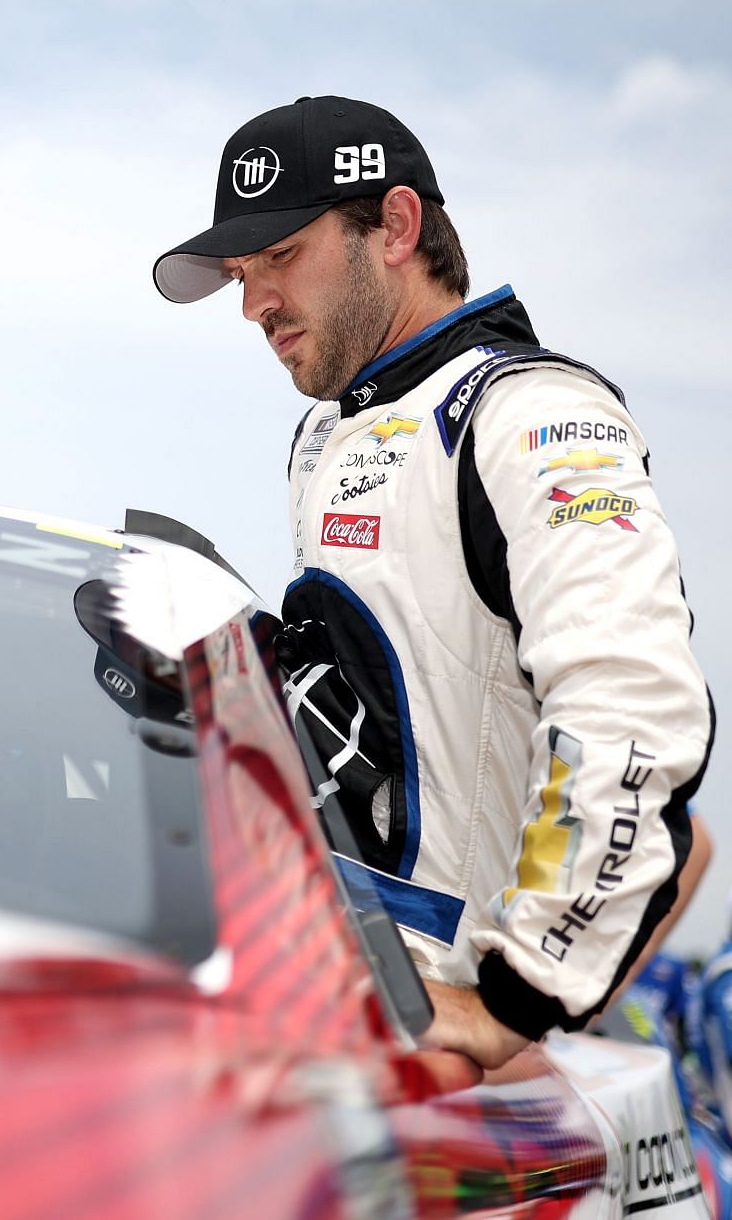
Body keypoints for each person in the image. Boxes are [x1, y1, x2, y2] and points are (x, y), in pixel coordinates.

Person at [152, 96, 715, 1069]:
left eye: (279, 257)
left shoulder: (532, 416)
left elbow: (632, 714)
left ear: (397, 228)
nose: (254, 306)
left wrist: (515, 1000)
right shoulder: (329, 433)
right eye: (242, 276)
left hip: (441, 1078)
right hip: (325, 1008)